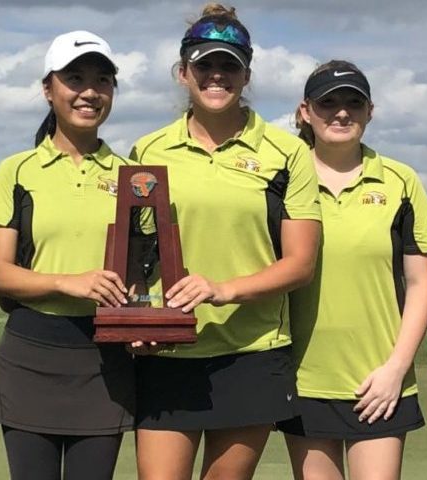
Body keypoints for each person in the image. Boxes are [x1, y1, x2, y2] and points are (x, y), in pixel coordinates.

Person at [129, 4, 322, 479]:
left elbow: (300, 263)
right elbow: (136, 256)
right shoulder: (148, 150)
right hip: (168, 350)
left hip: (251, 351)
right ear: (183, 72)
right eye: (204, 64)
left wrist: (222, 289)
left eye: (228, 65)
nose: (216, 75)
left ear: (246, 73)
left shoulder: (286, 152)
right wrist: (135, 315)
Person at [0, 31, 136, 480]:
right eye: (74, 78)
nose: (90, 92)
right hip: (31, 354)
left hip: (104, 361)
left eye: (102, 80)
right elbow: (0, 275)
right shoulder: (16, 170)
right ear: (48, 89)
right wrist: (66, 281)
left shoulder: (132, 174)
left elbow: (144, 270)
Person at [275, 60, 427, 480]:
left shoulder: (401, 181)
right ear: (305, 111)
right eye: (328, 103)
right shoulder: (283, 179)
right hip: (305, 381)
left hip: (381, 381)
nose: (341, 113)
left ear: (369, 111)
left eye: (353, 102)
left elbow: (421, 284)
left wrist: (397, 369)